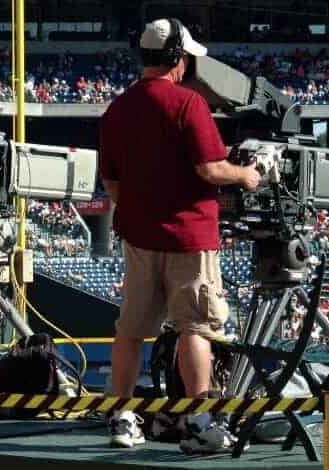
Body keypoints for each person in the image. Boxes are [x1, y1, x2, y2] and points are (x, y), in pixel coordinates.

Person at [99, 19, 261, 453]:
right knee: (195, 327)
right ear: (177, 57)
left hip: (137, 236)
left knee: (130, 329)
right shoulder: (188, 104)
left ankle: (122, 417)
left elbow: (112, 184)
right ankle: (199, 420)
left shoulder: (117, 108)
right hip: (189, 237)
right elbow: (210, 169)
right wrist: (247, 175)